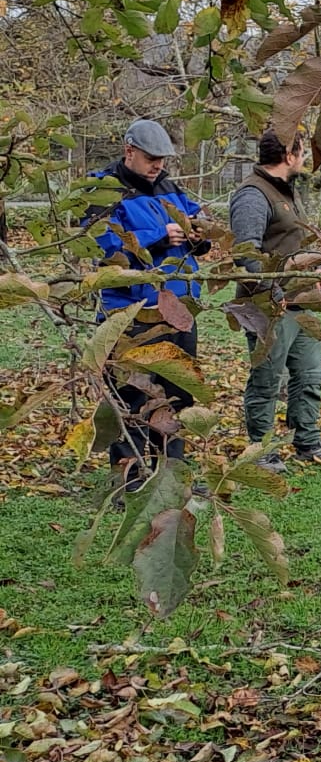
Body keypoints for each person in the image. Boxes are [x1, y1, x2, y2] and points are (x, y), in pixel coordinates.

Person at [85, 119, 210, 493]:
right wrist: (157, 237)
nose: (158, 166)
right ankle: (130, 479)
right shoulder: (104, 189)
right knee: (131, 393)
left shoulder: (169, 188)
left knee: (178, 393)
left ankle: (173, 475)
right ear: (129, 152)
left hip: (179, 307)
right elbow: (99, 246)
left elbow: (197, 220)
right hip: (130, 311)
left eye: (163, 160)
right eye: (152, 158)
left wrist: (200, 232)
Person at [230, 129, 321, 471]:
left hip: (301, 304)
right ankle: (262, 451)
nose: (305, 157)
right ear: (289, 154)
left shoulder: (286, 191)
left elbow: (291, 244)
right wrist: (273, 293)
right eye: (301, 149)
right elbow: (246, 252)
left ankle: (307, 442)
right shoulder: (253, 195)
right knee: (267, 379)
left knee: (309, 375)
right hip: (267, 308)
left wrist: (317, 271)